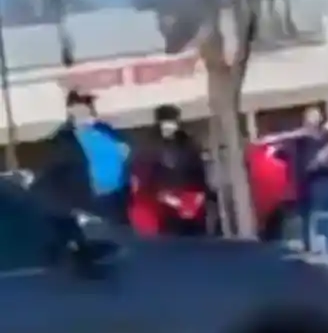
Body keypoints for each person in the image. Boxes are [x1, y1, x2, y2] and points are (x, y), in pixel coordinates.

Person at [36, 90, 131, 224]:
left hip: (121, 196)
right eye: (84, 104)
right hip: (94, 203)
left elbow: (124, 149)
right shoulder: (64, 140)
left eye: (90, 104)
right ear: (71, 109)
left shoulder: (104, 129)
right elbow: (57, 174)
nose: (90, 109)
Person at [287, 106, 328, 268]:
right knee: (319, 246)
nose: (313, 128)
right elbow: (299, 173)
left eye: (315, 124)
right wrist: (317, 161)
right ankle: (325, 270)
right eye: (309, 124)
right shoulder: (301, 146)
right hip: (314, 202)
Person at [138, 104, 210, 236]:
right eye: (167, 124)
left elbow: (198, 169)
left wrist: (200, 195)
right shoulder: (151, 146)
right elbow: (146, 179)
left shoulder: (186, 141)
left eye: (173, 123)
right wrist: (168, 198)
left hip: (191, 202)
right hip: (167, 207)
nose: (171, 127)